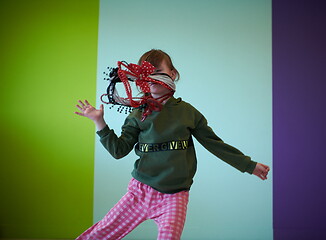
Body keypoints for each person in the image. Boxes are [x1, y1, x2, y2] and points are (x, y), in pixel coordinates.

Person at [74, 49, 270, 240]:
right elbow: (118, 151)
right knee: (101, 233)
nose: (152, 79)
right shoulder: (137, 114)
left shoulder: (188, 113)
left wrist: (249, 166)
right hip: (140, 192)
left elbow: (215, 144)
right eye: (146, 75)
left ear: (172, 74)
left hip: (175, 196)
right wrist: (100, 123)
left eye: (158, 73)